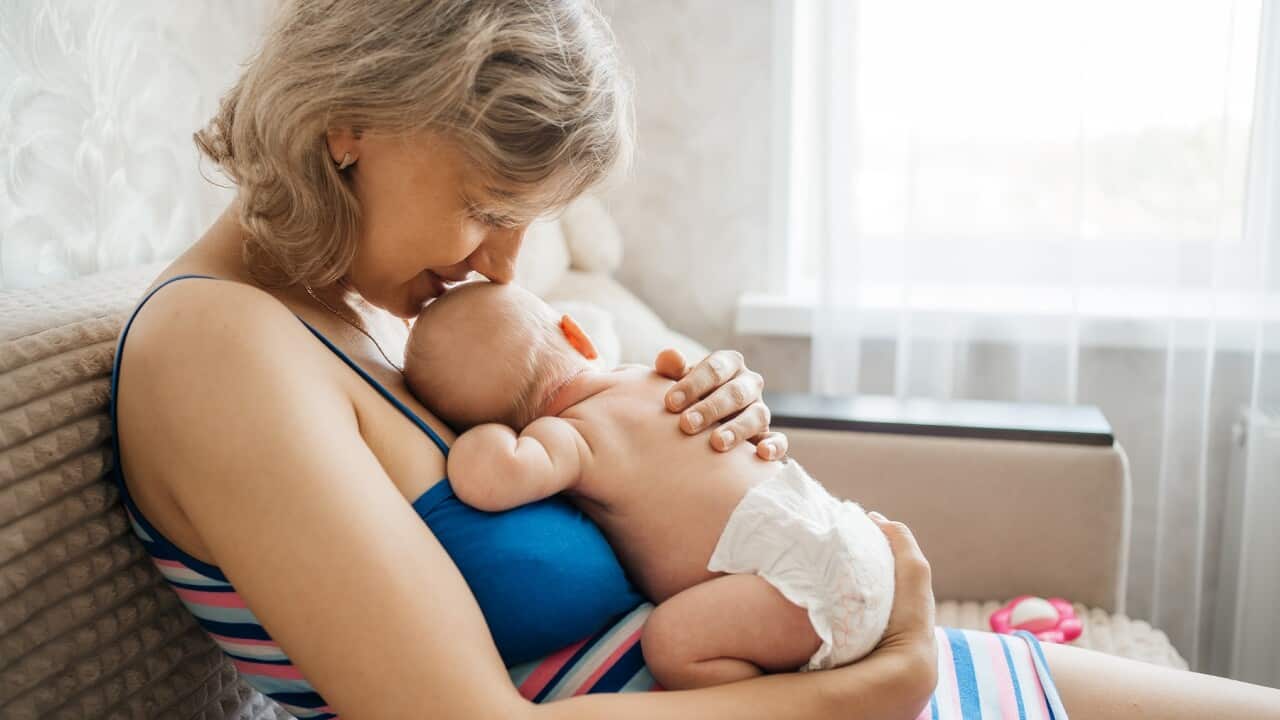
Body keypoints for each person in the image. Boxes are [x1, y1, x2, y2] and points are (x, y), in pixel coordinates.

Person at [109, 1, 1280, 718]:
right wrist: (871, 684)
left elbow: (587, 450)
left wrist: (699, 413)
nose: (505, 266)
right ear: (348, 120)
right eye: (487, 207)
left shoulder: (364, 316)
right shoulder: (219, 349)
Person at [404, 280, 896, 690]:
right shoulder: (654, 378)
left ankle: (783, 698)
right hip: (857, 542)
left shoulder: (568, 435)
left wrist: (481, 434)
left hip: (794, 592)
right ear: (578, 335)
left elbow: (486, 480)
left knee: (670, 642)